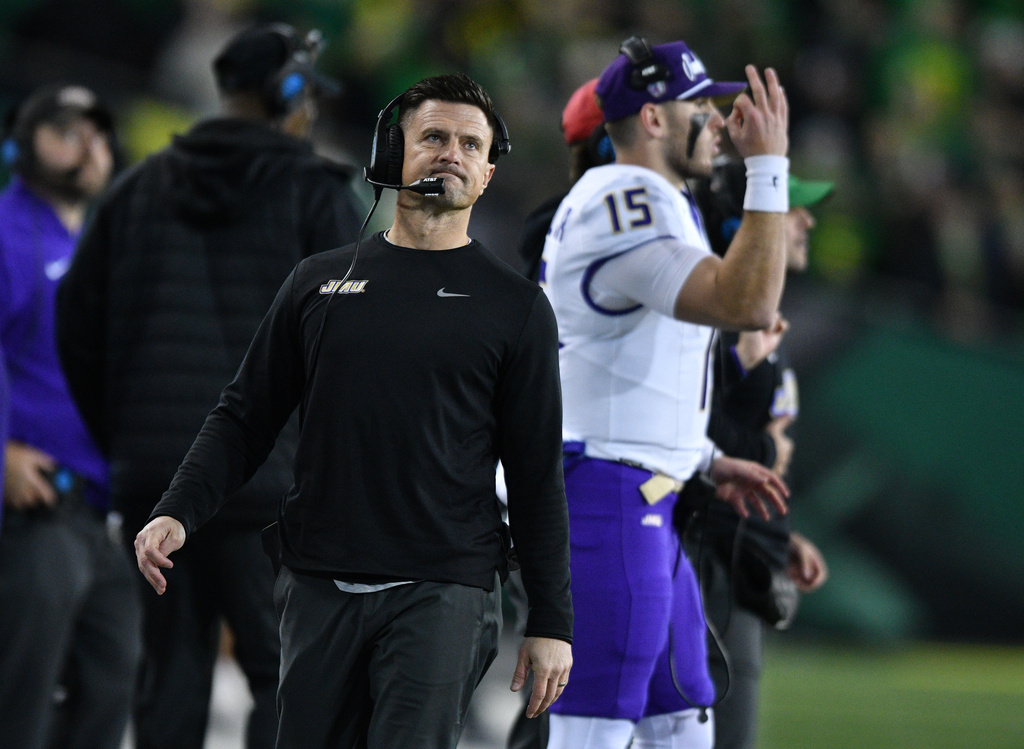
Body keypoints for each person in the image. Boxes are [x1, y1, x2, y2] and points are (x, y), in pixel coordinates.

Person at [134, 72, 573, 749]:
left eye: (468, 143)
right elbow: (245, 415)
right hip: (318, 581)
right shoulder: (317, 282)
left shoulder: (515, 307)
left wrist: (552, 620)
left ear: (488, 173)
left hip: (445, 584)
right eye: (433, 136)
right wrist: (177, 507)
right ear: (392, 152)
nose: (450, 153)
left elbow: (538, 472)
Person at [54, 23, 365, 749]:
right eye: (307, 96)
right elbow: (354, 344)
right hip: (271, 488)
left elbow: (75, 326)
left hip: (154, 482)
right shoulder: (316, 193)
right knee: (287, 679)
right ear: (286, 94)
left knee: (168, 676)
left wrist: (127, 439)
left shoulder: (134, 189)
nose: (312, 111)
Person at [541, 36, 791, 748]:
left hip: (640, 487)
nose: (716, 123)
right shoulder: (627, 198)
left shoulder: (651, 198)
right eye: (699, 108)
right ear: (652, 118)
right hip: (607, 494)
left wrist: (705, 456)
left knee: (683, 716)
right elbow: (745, 302)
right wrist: (767, 169)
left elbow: (625, 361)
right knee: (595, 726)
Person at [0, 83, 141, 749]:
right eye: (65, 129)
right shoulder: (5, 230)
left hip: (100, 514)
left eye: (98, 131)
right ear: (22, 142)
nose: (88, 145)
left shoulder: (108, 248)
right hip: (34, 511)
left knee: (111, 680)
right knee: (19, 697)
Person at [692, 159, 833, 749]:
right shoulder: (721, 321)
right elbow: (687, 428)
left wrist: (782, 533)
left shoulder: (756, 321)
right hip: (711, 555)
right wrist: (735, 368)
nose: (806, 220)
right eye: (790, 206)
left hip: (744, 550)